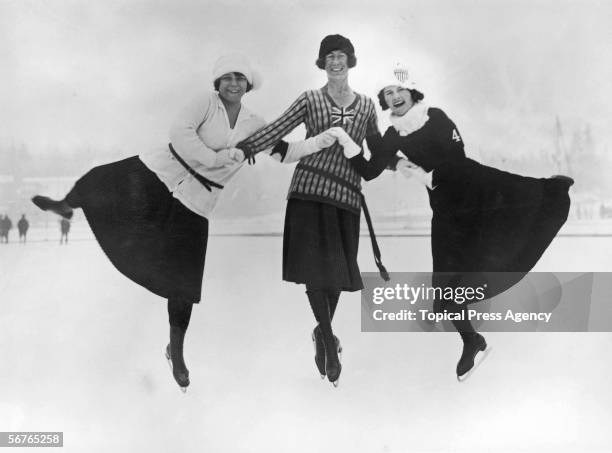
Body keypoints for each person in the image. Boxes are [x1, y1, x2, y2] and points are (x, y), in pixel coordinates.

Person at [31, 54, 337, 392]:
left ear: (248, 85)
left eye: (240, 78)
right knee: (102, 179)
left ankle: (175, 351)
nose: (233, 83)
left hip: (198, 200)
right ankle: (65, 204)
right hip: (160, 172)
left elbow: (284, 152)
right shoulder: (204, 103)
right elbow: (181, 134)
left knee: (184, 283)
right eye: (227, 78)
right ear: (217, 83)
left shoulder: (254, 124)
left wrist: (319, 142)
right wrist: (219, 158)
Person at [338, 65, 573, 379]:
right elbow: (369, 170)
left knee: (528, 213)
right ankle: (472, 340)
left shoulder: (434, 116)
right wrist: (349, 140)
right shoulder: (393, 134)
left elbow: (456, 158)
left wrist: (419, 172)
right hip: (447, 211)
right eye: (388, 93)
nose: (394, 97)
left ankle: (555, 190)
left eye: (399, 90)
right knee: (447, 291)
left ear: (412, 91)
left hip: (479, 193)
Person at [238, 35, 391, 387]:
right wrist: (247, 145)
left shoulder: (367, 106)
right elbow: (277, 129)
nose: (335, 62)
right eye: (329, 57)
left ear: (350, 61)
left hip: (348, 197)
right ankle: (328, 341)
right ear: (321, 63)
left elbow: (377, 152)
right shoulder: (309, 99)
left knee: (335, 274)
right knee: (313, 270)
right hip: (308, 191)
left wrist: (399, 143)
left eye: (341, 56)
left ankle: (323, 336)